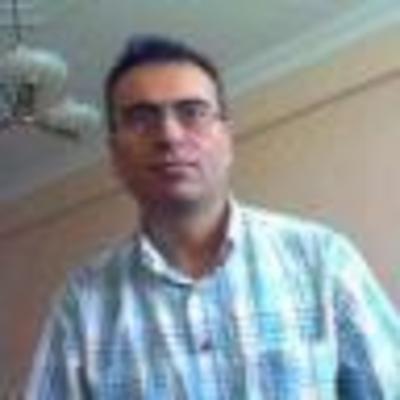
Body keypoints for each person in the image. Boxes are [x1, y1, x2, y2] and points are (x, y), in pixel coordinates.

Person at [26, 35, 399, 399]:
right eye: (141, 118)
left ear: (227, 139)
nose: (169, 135)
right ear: (116, 154)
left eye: (192, 112)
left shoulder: (322, 260)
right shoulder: (82, 302)